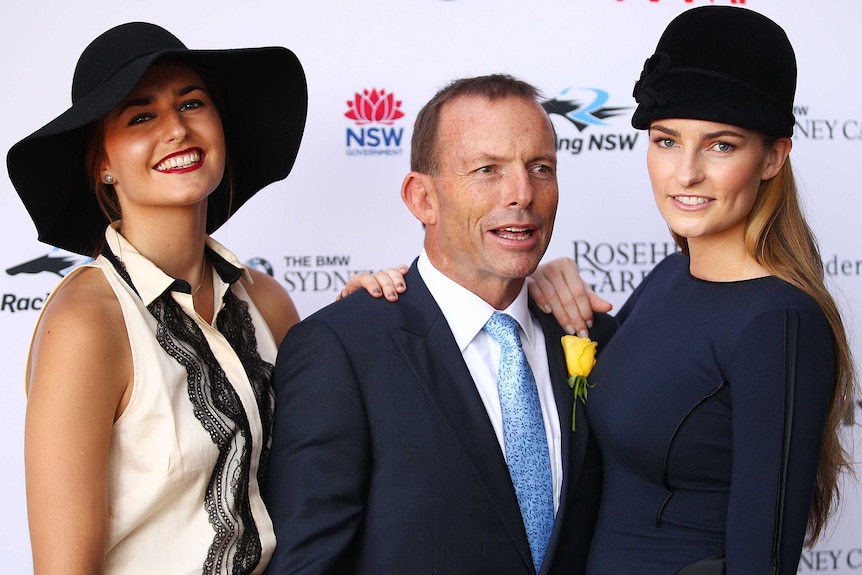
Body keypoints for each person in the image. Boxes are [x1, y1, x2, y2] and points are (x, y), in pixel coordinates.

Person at [7, 22, 396, 574]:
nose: (176, 129)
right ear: (103, 164)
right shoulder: (88, 322)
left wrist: (362, 323)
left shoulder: (269, 302)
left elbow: (331, 466)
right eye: (141, 116)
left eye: (192, 103)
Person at [523, 7, 856, 574]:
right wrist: (538, 283)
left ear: (773, 157)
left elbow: (762, 558)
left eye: (721, 145)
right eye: (666, 140)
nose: (686, 173)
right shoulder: (670, 278)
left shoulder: (778, 324)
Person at [264, 74, 616, 575]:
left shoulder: (591, 334)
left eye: (541, 168)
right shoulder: (342, 349)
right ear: (422, 198)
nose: (522, 193)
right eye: (487, 169)